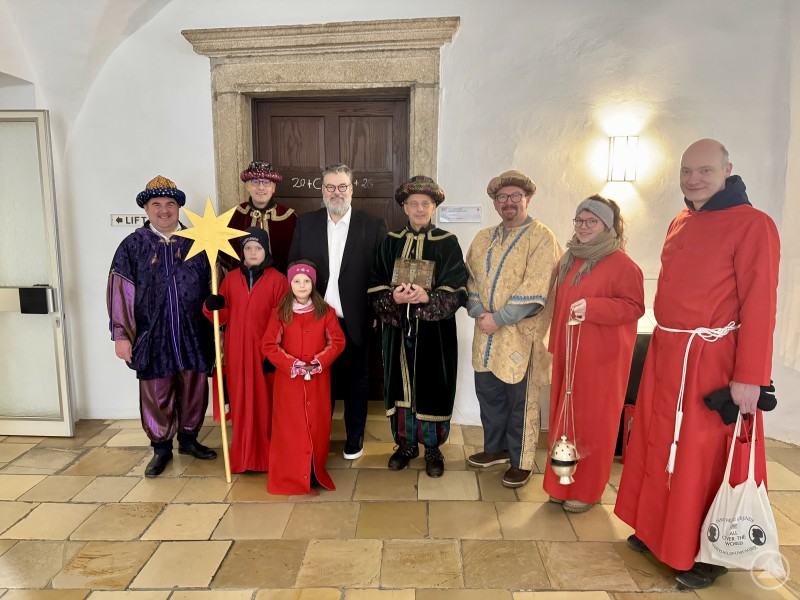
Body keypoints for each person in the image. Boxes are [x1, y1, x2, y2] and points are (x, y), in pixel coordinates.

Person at [614, 139, 780, 589]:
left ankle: (705, 551)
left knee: (699, 452)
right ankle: (655, 530)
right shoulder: (682, 219)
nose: (694, 180)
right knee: (656, 442)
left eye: (705, 171)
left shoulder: (754, 225)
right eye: (687, 171)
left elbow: (760, 306)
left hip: (711, 361)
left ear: (728, 169)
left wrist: (751, 377)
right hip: (669, 354)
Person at [107, 175, 217, 478]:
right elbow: (121, 291)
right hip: (152, 334)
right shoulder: (132, 246)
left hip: (194, 331)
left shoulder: (198, 242)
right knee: (157, 389)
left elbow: (216, 282)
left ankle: (190, 439)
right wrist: (121, 335)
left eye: (170, 204)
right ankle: (161, 448)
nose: (164, 210)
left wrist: (219, 313)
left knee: (194, 385)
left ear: (179, 207)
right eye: (157, 204)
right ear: (146, 209)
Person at [543, 195, 644, 512]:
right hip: (568, 356)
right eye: (579, 221)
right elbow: (557, 306)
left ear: (607, 226)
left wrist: (595, 308)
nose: (583, 227)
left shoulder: (624, 265)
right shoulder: (568, 259)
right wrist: (554, 346)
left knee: (593, 425)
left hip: (602, 361)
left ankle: (587, 491)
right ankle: (560, 481)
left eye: (592, 222)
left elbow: (634, 307)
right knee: (564, 420)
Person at [465, 170, 561, 488]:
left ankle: (521, 460)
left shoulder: (542, 237)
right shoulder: (482, 239)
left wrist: (498, 319)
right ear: (494, 203)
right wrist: (479, 312)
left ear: (527, 199)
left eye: (515, 196)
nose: (509, 202)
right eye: (502, 197)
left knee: (521, 400)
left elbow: (537, 290)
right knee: (490, 396)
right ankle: (496, 449)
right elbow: (471, 282)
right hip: (486, 336)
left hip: (522, 337)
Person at [368, 176, 468, 477]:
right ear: (404, 207)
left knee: (433, 385)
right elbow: (375, 283)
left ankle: (433, 448)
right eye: (414, 204)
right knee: (399, 384)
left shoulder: (448, 242)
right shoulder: (390, 241)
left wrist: (429, 296)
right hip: (398, 330)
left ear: (434, 207)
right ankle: (405, 445)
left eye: (426, 203)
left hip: (434, 333)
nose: (420, 208)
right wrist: (392, 297)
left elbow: (458, 287)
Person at [288, 163, 388, 460]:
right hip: (315, 320)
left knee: (357, 381)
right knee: (320, 382)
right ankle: (317, 437)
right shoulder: (306, 223)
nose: (336, 192)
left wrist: (375, 314)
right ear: (322, 190)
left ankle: (354, 438)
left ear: (352, 190)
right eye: (330, 187)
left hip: (355, 319)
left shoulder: (373, 224)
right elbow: (293, 267)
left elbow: (381, 274)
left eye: (342, 186)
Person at [203, 227, 288, 473]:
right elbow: (222, 317)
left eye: (258, 248)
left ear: (266, 251)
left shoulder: (278, 280)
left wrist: (275, 354)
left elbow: (283, 319)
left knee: (265, 406)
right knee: (240, 404)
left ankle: (266, 457)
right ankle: (242, 457)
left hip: (264, 354)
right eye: (248, 248)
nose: (253, 252)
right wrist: (212, 307)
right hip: (237, 352)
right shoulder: (229, 280)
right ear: (242, 252)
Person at [261, 260, 346, 495]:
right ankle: (293, 473)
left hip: (318, 381)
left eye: (306, 281)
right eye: (297, 281)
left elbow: (337, 341)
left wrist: (319, 362)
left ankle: (313, 469)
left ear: (313, 284)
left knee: (316, 424)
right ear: (290, 284)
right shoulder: (280, 312)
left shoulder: (325, 312)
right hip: (289, 383)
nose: (301, 285)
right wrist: (292, 364)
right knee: (291, 427)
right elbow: (269, 345)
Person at [225, 161, 297, 274]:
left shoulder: (289, 217)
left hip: (280, 284)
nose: (261, 187)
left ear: (274, 188)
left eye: (266, 182)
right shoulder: (236, 215)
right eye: (255, 182)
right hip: (243, 283)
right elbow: (225, 254)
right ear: (247, 186)